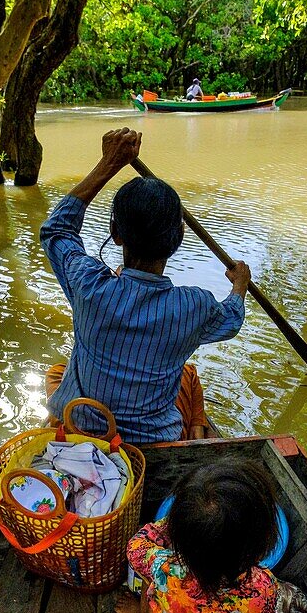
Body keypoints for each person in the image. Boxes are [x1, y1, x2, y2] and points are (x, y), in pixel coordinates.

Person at [40, 128, 251, 444]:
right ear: (178, 238)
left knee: (58, 373)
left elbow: (57, 230)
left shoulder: (88, 284)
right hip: (154, 441)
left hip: (83, 431)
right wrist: (240, 285)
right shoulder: (195, 306)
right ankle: (196, 424)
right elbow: (232, 319)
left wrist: (108, 164)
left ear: (116, 233)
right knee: (189, 376)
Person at [118, 461, 280, 613]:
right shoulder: (265, 586)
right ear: (261, 542)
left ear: (181, 539)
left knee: (153, 589)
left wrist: (179, 524)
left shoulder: (166, 572)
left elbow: (136, 546)